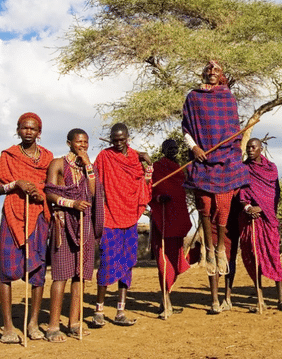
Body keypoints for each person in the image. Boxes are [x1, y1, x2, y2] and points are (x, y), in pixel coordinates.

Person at [181, 60, 249, 314]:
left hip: (226, 161)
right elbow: (186, 128)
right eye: (208, 70)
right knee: (205, 206)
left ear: (221, 76)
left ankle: (220, 247)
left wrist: (230, 148)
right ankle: (209, 248)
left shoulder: (228, 98)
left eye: (216, 71)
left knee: (223, 206)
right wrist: (195, 148)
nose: (211, 73)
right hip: (203, 160)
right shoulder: (193, 98)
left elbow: (234, 130)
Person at [0, 112, 53, 343]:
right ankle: (8, 327)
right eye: (24, 128)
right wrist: (17, 183)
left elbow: (52, 185)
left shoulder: (48, 157)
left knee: (38, 269)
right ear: (18, 129)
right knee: (7, 270)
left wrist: (40, 193)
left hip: (38, 214)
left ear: (39, 132)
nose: (28, 132)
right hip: (13, 214)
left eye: (33, 129)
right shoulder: (8, 155)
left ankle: (33, 323)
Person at [44, 129, 104, 342]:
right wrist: (71, 203)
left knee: (79, 275)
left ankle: (74, 322)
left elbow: (93, 192)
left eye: (86, 142)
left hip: (83, 223)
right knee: (60, 274)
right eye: (79, 142)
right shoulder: (58, 163)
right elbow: (50, 193)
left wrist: (87, 163)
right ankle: (52, 326)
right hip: (63, 222)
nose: (82, 145)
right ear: (69, 142)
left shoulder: (88, 167)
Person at [92, 123, 152, 326]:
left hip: (130, 219)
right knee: (107, 262)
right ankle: (99, 310)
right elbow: (94, 184)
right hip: (110, 218)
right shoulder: (104, 157)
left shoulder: (136, 158)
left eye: (122, 140)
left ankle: (120, 311)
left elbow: (144, 183)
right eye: (115, 140)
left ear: (128, 138)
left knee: (127, 264)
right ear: (110, 139)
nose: (118, 143)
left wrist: (148, 164)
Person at [237, 138, 282, 312]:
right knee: (254, 258)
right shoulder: (243, 169)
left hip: (267, 219)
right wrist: (248, 207)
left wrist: (261, 208)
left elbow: (275, 194)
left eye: (253, 147)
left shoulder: (271, 169)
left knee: (273, 256)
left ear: (261, 149)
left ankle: (281, 299)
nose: (250, 150)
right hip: (250, 221)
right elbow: (241, 193)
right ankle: (260, 300)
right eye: (248, 148)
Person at [149, 139, 192, 320]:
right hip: (163, 218)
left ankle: (165, 300)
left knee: (174, 260)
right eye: (170, 148)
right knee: (163, 260)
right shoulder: (157, 168)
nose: (173, 151)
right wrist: (158, 199)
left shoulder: (178, 169)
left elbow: (181, 193)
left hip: (177, 219)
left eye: (175, 148)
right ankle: (166, 302)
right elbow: (148, 190)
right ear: (163, 150)